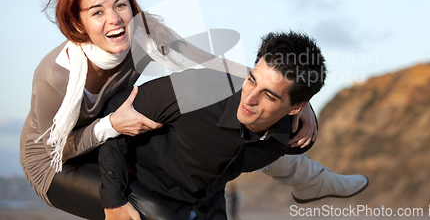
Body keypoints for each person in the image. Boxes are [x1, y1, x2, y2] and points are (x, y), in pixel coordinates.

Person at [20, 0, 367, 220]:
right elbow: (55, 149)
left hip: (108, 140)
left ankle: (309, 179)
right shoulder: (55, 75)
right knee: (153, 213)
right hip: (55, 163)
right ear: (78, 24)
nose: (115, 19)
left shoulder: (144, 32)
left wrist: (295, 96)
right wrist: (111, 125)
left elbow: (214, 65)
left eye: (120, 4)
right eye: (97, 11)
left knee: (236, 111)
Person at [99, 31, 366, 220]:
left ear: (295, 107)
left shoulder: (293, 136)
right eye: (251, 80)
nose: (249, 99)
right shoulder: (196, 88)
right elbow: (116, 112)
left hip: (207, 201)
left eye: (269, 95)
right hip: (142, 186)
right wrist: (113, 200)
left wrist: (308, 111)